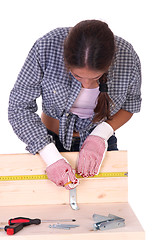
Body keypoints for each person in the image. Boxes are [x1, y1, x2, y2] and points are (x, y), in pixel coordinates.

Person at [8, 20, 141, 190]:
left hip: (100, 144)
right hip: (47, 141)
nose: (86, 85)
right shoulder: (47, 47)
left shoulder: (127, 56)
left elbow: (130, 104)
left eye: (95, 78)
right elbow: (19, 107)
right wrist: (50, 156)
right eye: (78, 76)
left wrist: (100, 135)